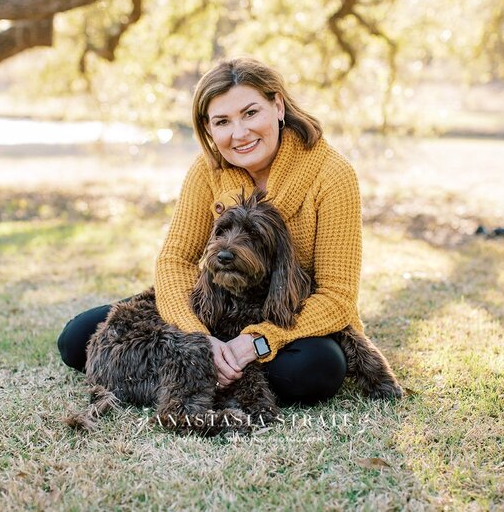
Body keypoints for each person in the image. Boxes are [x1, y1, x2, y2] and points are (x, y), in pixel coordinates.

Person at [58, 57, 366, 405]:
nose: (240, 134)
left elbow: (337, 297)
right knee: (76, 340)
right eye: (223, 121)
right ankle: (207, 369)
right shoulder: (207, 170)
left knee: (315, 370)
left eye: (251, 113)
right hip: (215, 309)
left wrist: (257, 341)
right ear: (209, 129)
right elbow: (175, 260)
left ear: (277, 105)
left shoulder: (332, 174)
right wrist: (197, 337)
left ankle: (220, 371)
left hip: (286, 316)